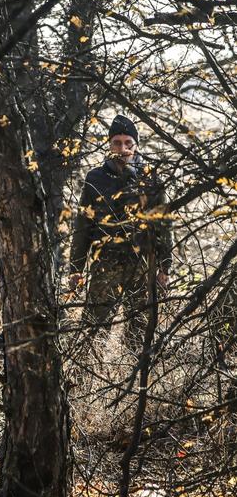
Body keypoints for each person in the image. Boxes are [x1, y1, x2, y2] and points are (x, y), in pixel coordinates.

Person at [68, 114, 173, 355]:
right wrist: (76, 268)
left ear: (136, 146)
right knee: (93, 332)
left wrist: (165, 268)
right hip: (105, 266)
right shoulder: (95, 178)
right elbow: (83, 226)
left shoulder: (151, 179)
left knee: (141, 335)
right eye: (117, 142)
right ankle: (81, 386)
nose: (123, 148)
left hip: (142, 265)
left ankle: (137, 387)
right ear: (109, 144)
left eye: (128, 143)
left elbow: (164, 227)